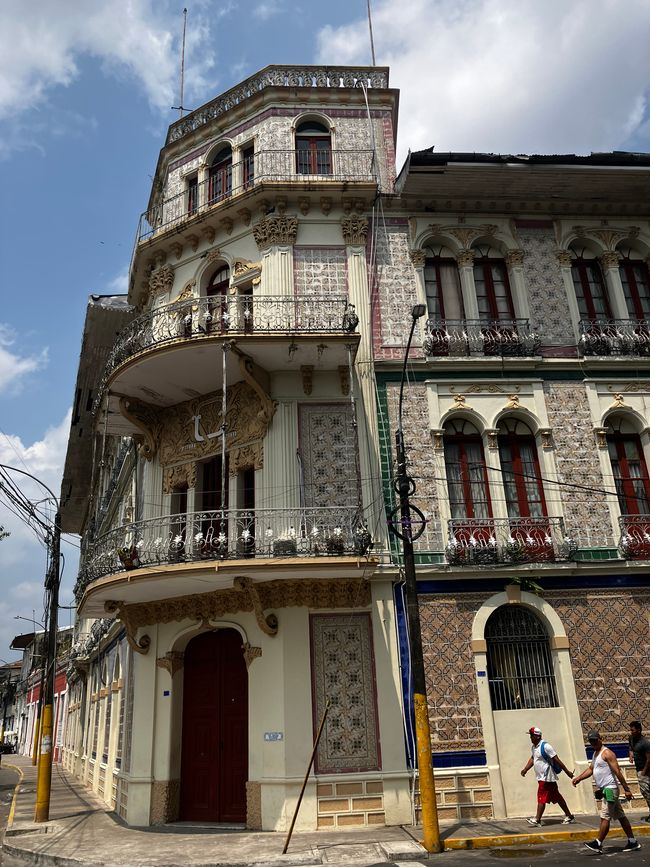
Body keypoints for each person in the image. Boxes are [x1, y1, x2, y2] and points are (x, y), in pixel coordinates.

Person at [573, 730, 640, 853]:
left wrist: (627, 789)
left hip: (610, 789)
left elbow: (617, 771)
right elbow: (591, 769)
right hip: (605, 789)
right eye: (591, 741)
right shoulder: (595, 754)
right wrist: (578, 778)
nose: (593, 743)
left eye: (595, 740)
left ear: (600, 739)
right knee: (621, 816)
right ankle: (632, 841)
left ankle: (598, 843)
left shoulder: (607, 753)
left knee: (605, 817)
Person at [520, 726, 575, 826]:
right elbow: (533, 759)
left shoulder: (546, 746)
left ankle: (537, 819)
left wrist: (567, 772)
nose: (530, 738)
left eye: (532, 735)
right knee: (557, 797)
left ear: (537, 736)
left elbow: (557, 760)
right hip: (542, 777)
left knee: (541, 796)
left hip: (546, 777)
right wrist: (525, 769)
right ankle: (569, 816)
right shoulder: (534, 747)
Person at [628, 721, 650, 821]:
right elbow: (631, 747)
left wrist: (644, 772)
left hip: (645, 770)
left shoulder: (645, 743)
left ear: (639, 730)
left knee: (645, 791)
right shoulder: (632, 738)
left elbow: (649, 759)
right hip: (639, 769)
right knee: (646, 792)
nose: (631, 732)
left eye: (633, 730)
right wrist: (631, 754)